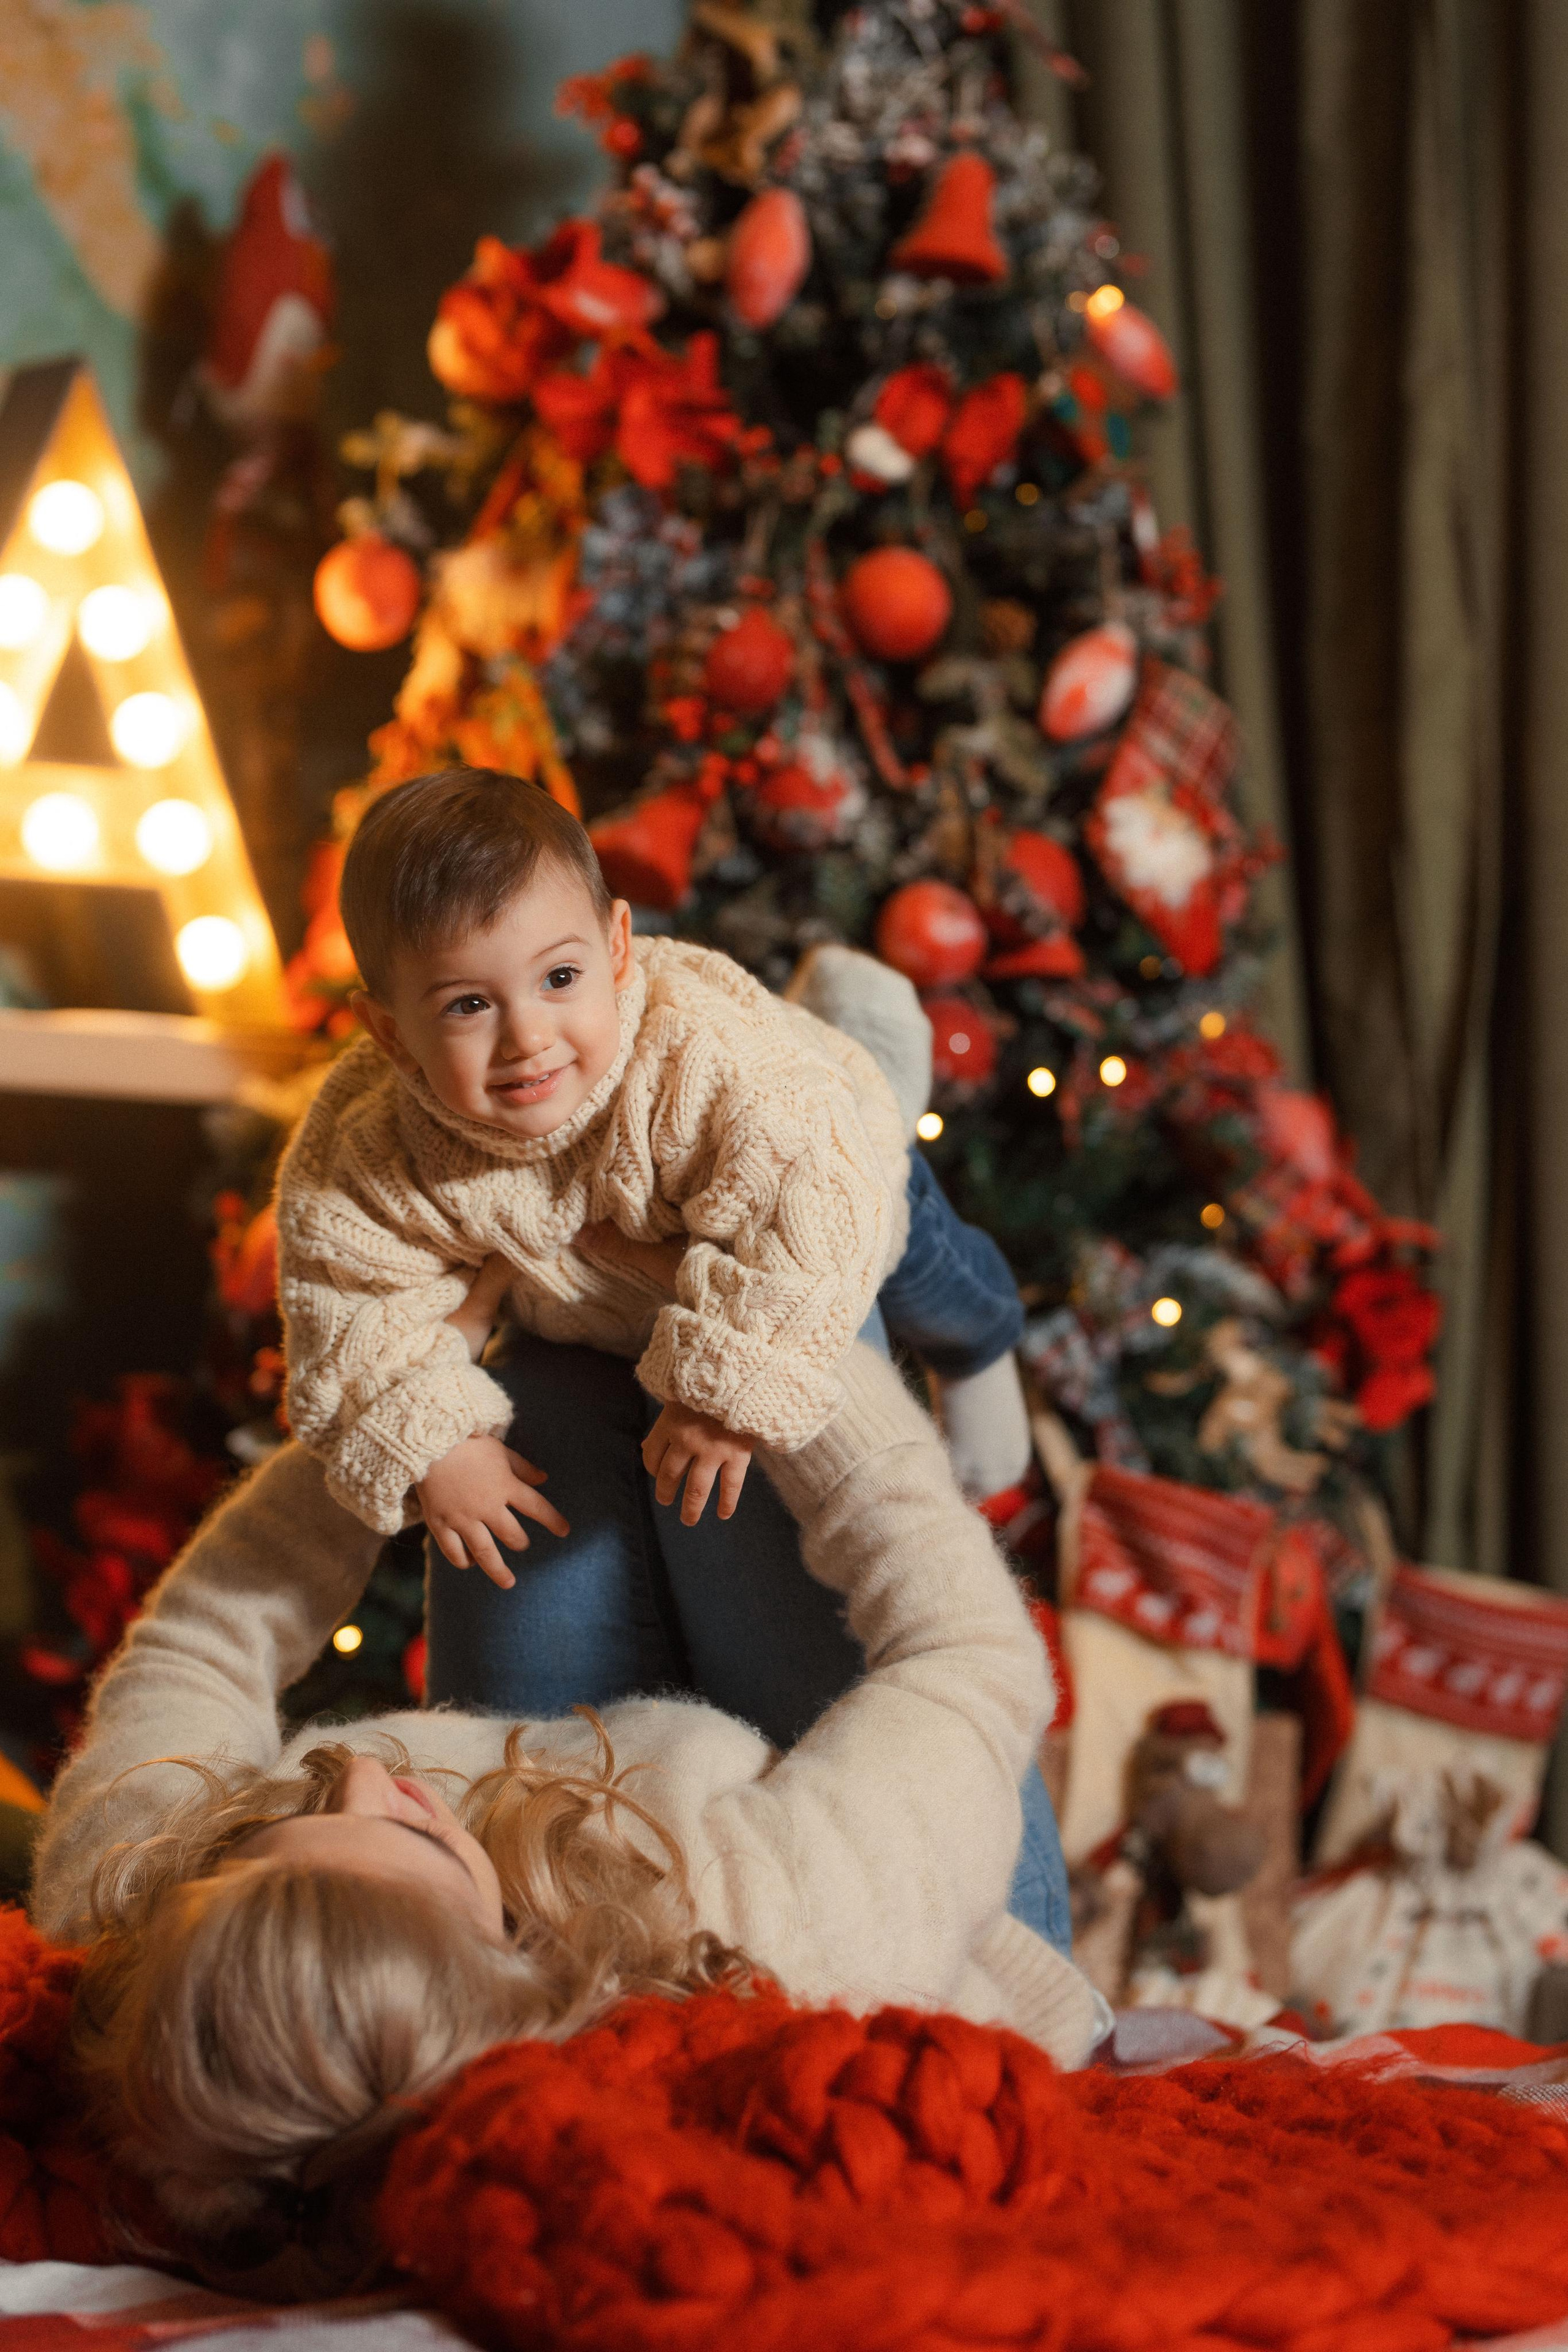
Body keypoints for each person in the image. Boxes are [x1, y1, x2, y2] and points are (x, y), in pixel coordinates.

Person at [31, 1331, 1101, 2281]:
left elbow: (203, 1638)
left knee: (529, 1357)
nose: (364, 1779)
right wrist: (792, 1349)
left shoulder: (145, 1888)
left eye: (285, 1823)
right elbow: (969, 1655)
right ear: (514, 1978)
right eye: (409, 1832)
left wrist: (394, 1407)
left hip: (616, 1788)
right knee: (742, 1326)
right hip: (888, 1880)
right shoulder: (786, 1946)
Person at [273, 765, 1033, 1594]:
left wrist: (727, 1392)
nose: (527, 1036)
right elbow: (346, 1305)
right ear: (388, 1030)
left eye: (560, 978)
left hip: (832, 1151)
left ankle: (980, 1344)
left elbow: (812, 1205)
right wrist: (437, 1443)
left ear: (616, 947)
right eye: (467, 1006)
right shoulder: (370, 1150)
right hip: (606, 1299)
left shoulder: (700, 1059)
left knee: (904, 1242)